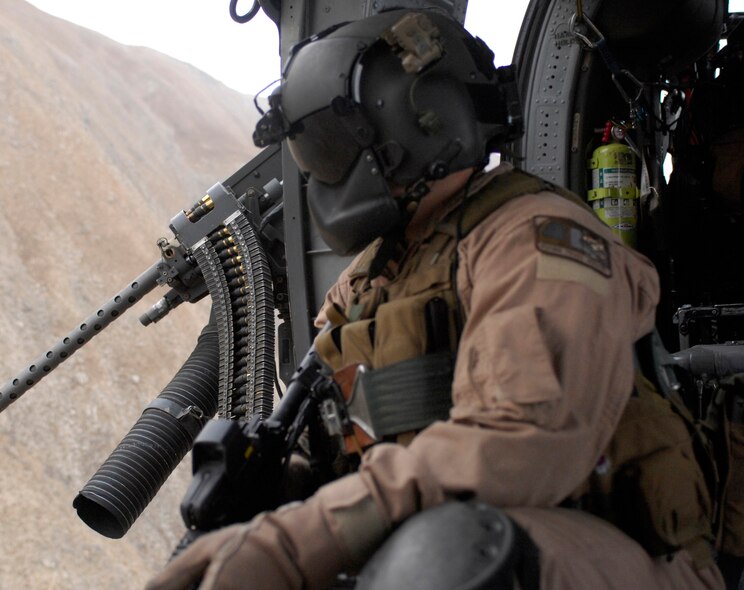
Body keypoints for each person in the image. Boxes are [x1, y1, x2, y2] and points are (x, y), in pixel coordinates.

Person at [147, 8, 725, 590]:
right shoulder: (373, 277)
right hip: (486, 531)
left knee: (442, 553)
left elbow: (519, 444)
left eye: (332, 146)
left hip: (615, 548)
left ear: (418, 121)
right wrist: (290, 495)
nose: (323, 172)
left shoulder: (534, 240)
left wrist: (304, 540)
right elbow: (344, 434)